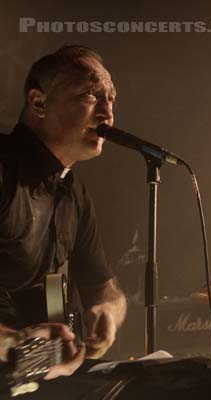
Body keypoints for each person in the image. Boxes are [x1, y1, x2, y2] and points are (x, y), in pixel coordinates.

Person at [0, 45, 127, 377]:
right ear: (39, 103)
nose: (107, 114)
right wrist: (12, 342)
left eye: (110, 98)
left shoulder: (74, 193)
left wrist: (108, 312)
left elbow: (103, 285)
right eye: (90, 94)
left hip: (40, 376)